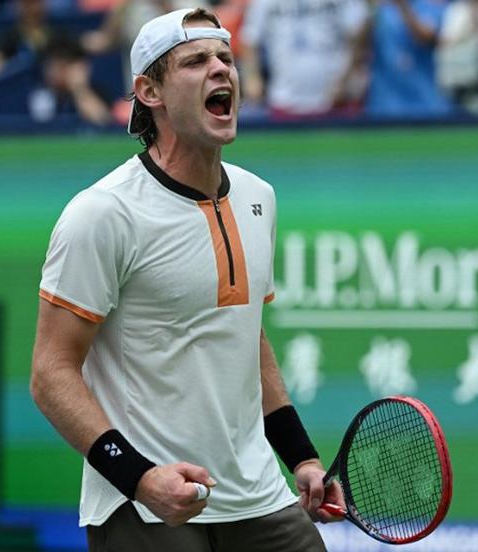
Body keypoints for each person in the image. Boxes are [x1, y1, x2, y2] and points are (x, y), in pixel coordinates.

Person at [30, 7, 344, 552]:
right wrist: (139, 478)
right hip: (144, 511)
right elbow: (50, 373)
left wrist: (302, 457)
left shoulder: (258, 198)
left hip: (259, 499)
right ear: (149, 91)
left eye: (226, 57)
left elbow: (248, 335)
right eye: (196, 61)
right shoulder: (102, 213)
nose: (221, 69)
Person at [239, 0, 369, 119]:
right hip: (284, 100)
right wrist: (253, 79)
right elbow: (250, 40)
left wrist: (345, 80)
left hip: (336, 101)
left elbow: (359, 32)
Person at [361, 0, 452, 117]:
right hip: (383, 106)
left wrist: (402, 6)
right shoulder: (380, 10)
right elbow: (360, 46)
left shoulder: (433, 7)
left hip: (424, 105)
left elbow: (426, 37)